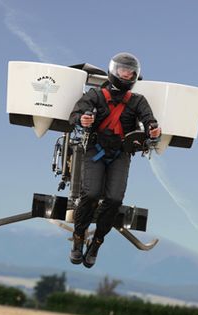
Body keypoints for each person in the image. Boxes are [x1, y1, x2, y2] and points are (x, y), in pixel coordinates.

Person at [69, 52, 161, 268]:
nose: (126, 74)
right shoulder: (95, 95)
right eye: (122, 70)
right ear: (113, 71)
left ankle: (97, 243)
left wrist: (153, 130)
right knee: (90, 194)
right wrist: (83, 120)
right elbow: (74, 116)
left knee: (114, 200)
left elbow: (149, 121)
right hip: (95, 151)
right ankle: (78, 238)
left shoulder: (138, 101)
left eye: (131, 72)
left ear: (135, 76)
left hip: (121, 154)